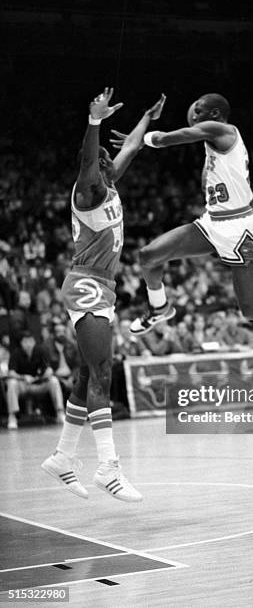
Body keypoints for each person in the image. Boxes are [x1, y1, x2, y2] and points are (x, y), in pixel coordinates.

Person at [111, 93, 253, 360]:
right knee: (148, 256)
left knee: (251, 309)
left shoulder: (223, 129)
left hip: (240, 230)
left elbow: (170, 138)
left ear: (214, 114)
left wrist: (139, 140)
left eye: (199, 109)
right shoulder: (212, 146)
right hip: (212, 223)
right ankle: (159, 307)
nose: (194, 112)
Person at [42, 87, 166, 501]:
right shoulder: (88, 192)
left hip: (104, 288)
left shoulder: (109, 184)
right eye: (101, 160)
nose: (111, 159)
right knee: (102, 373)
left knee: (85, 375)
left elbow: (130, 147)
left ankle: (61, 457)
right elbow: (88, 160)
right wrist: (93, 122)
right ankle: (108, 467)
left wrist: (147, 118)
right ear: (92, 169)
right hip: (86, 285)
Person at [7, 330, 64, 430]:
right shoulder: (16, 353)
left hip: (39, 383)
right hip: (23, 384)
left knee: (53, 381)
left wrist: (47, 373)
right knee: (11, 383)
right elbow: (11, 373)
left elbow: (49, 368)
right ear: (21, 343)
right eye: (25, 341)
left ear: (34, 342)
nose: (28, 344)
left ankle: (60, 413)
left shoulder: (40, 350)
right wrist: (23, 377)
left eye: (30, 341)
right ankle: (12, 417)